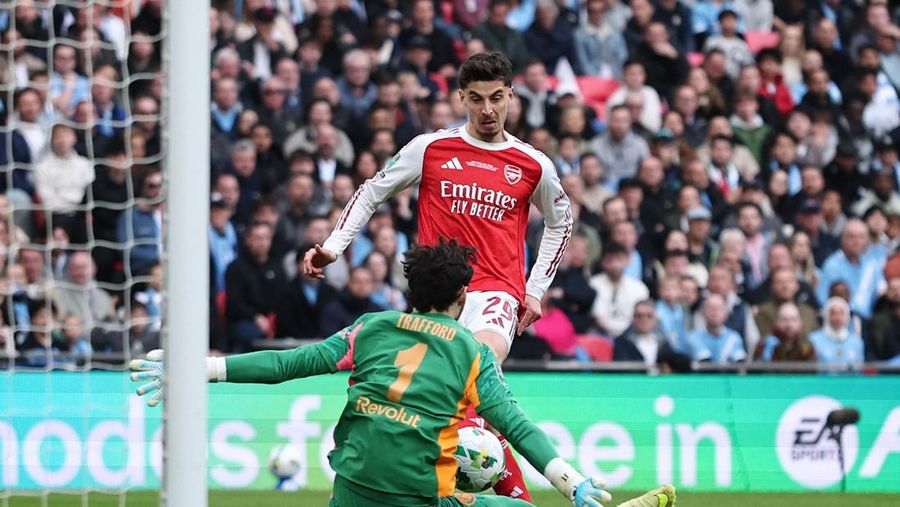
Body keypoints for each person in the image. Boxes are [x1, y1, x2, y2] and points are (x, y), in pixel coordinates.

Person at [131, 241, 675, 507]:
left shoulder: (370, 329)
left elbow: (287, 364)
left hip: (351, 490)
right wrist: (570, 479)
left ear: (412, 294)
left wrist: (196, 368)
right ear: (463, 297)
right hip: (419, 500)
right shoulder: (470, 351)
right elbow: (514, 424)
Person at [302, 52, 573, 502]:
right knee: (461, 405)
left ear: (511, 96)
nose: (488, 110)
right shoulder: (429, 148)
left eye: (498, 98)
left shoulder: (532, 164)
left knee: (478, 371)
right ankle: (516, 497)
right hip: (437, 297)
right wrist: (334, 245)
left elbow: (562, 222)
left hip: (495, 292)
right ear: (461, 98)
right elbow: (371, 193)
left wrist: (535, 290)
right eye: (478, 99)